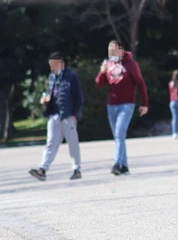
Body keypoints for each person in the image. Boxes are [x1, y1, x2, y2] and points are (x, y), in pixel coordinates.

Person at [95, 39, 149, 176]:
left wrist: (144, 104)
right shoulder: (108, 64)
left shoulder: (131, 64)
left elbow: (140, 83)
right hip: (111, 105)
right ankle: (124, 166)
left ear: (121, 50)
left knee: (119, 134)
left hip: (127, 104)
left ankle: (117, 164)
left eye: (114, 49)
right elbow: (99, 85)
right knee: (119, 136)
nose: (111, 53)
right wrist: (102, 72)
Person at [29, 53, 84, 181]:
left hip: (67, 115)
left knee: (72, 144)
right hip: (54, 115)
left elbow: (78, 98)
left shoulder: (71, 77)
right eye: (51, 65)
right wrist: (46, 100)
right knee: (51, 143)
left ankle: (77, 169)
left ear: (61, 63)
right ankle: (42, 169)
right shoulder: (52, 77)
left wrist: (75, 115)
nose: (52, 68)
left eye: (54, 65)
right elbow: (52, 94)